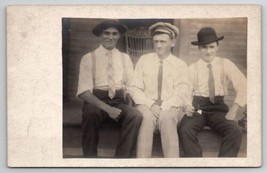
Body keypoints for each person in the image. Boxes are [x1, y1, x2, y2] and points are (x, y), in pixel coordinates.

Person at [77, 19, 143, 158]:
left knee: (135, 115)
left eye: (114, 33)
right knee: (90, 114)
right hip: (96, 100)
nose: (110, 37)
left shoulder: (125, 58)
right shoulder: (89, 58)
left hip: (119, 100)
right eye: (106, 33)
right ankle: (90, 160)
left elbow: (131, 86)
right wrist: (108, 109)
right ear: (100, 35)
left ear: (119, 36)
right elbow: (83, 92)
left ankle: (121, 160)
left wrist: (130, 105)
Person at [178, 27, 247, 157]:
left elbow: (243, 84)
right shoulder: (192, 68)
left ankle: (223, 166)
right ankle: (196, 164)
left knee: (235, 131)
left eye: (211, 47)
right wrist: (187, 105)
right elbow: (184, 89)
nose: (208, 51)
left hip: (218, 109)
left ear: (217, 47)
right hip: (198, 109)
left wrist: (234, 108)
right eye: (204, 47)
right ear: (199, 49)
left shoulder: (225, 64)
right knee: (185, 129)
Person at [129, 22, 190, 158]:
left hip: (170, 106)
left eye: (163, 41)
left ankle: (172, 164)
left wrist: (163, 106)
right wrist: (151, 104)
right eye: (156, 41)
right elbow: (134, 88)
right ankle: (142, 164)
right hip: (146, 105)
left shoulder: (180, 65)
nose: (158, 45)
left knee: (167, 118)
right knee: (146, 117)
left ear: (172, 42)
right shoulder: (144, 60)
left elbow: (181, 92)